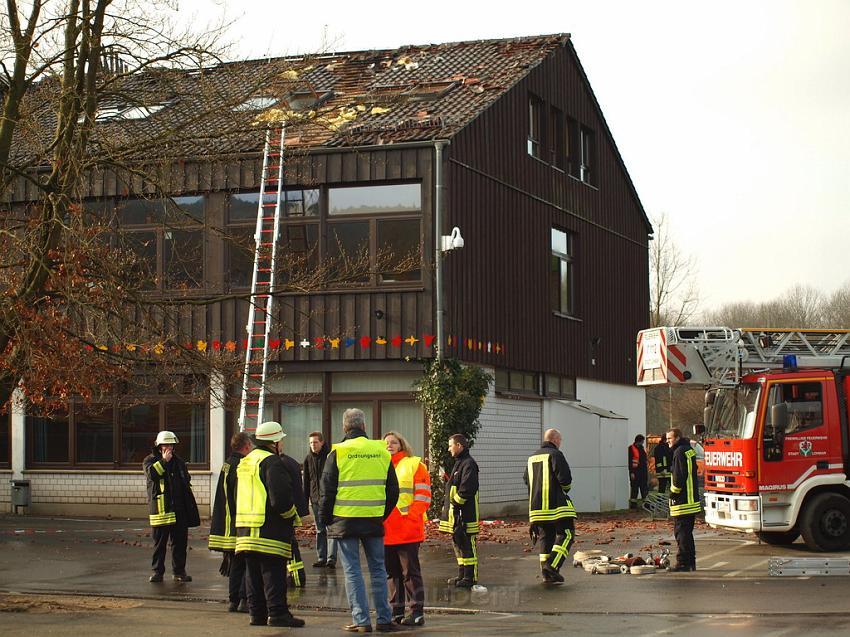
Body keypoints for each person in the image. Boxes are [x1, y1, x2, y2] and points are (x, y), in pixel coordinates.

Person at [320, 408, 399, 633]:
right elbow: (393, 490)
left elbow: (327, 491)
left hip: (344, 521)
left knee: (352, 571)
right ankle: (384, 619)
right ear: (364, 426)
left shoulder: (338, 452)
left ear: (345, 428)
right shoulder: (381, 451)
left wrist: (326, 520)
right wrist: (380, 513)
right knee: (378, 570)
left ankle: (362, 620)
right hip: (373, 520)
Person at [235, 421, 305, 628]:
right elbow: (281, 499)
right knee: (273, 573)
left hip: (246, 529)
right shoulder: (273, 462)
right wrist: (292, 516)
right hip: (269, 529)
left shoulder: (246, 461)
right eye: (281, 439)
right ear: (274, 442)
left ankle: (256, 615)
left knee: (253, 574)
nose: (282, 443)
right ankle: (277, 614)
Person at [383, 431, 431, 626]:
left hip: (407, 530)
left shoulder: (415, 465)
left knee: (410, 573)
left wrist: (410, 517)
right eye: (386, 443)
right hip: (386, 530)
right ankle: (396, 611)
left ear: (402, 445)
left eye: (394, 442)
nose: (389, 446)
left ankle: (416, 612)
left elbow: (424, 497)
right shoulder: (380, 466)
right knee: (392, 574)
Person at [143, 430, 200, 583]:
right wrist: (163, 461)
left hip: (179, 510)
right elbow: (152, 475)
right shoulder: (150, 461)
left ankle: (179, 572)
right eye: (165, 444)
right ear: (158, 446)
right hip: (161, 510)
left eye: (171, 444)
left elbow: (185, 481)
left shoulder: (179, 462)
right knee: (159, 544)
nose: (168, 447)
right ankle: (157, 573)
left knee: (180, 544)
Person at [524, 428, 576, 585]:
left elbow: (526, 480)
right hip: (556, 507)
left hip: (536, 509)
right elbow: (565, 480)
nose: (560, 443)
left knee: (546, 539)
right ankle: (552, 566)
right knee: (567, 534)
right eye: (560, 440)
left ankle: (547, 575)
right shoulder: (555, 455)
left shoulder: (531, 458)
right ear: (555, 440)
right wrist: (564, 490)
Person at [209, 431, 252, 611]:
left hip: (226, 524)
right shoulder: (242, 465)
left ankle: (233, 600)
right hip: (238, 523)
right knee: (245, 564)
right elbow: (240, 496)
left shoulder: (227, 464)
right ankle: (243, 600)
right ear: (246, 446)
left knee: (235, 564)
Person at [438, 433, 480, 589]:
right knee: (459, 544)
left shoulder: (469, 464)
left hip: (466, 515)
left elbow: (467, 489)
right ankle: (462, 575)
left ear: (459, 446)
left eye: (450, 445)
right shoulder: (459, 463)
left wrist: (455, 503)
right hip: (457, 516)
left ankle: (471, 577)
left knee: (468, 545)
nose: (449, 449)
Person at [666, 427, 701, 572]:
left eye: (670, 438)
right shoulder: (688, 450)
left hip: (682, 501)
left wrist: (673, 494)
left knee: (681, 534)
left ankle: (683, 563)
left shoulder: (679, 452)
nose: (667, 440)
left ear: (678, 437)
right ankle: (690, 562)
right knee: (687, 533)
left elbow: (678, 477)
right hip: (691, 500)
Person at [279, 432, 309, 588]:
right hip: (293, 508)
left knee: (289, 546)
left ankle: (296, 578)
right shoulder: (291, 462)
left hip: (284, 511)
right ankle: (297, 577)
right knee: (291, 545)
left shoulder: (278, 464)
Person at [303, 431, 337, 568]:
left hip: (329, 499)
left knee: (331, 529)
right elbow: (306, 482)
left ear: (322, 442)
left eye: (315, 442)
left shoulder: (330, 457)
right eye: (311, 443)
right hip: (315, 499)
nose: (313, 445)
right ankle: (322, 557)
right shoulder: (308, 459)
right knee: (320, 529)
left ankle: (331, 559)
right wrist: (305, 503)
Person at [628, 434, 649, 509]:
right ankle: (633, 505)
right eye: (642, 441)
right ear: (638, 441)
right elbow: (630, 462)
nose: (643, 443)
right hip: (635, 472)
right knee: (634, 488)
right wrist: (632, 472)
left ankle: (646, 504)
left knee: (644, 488)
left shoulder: (641, 448)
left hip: (643, 472)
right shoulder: (631, 448)